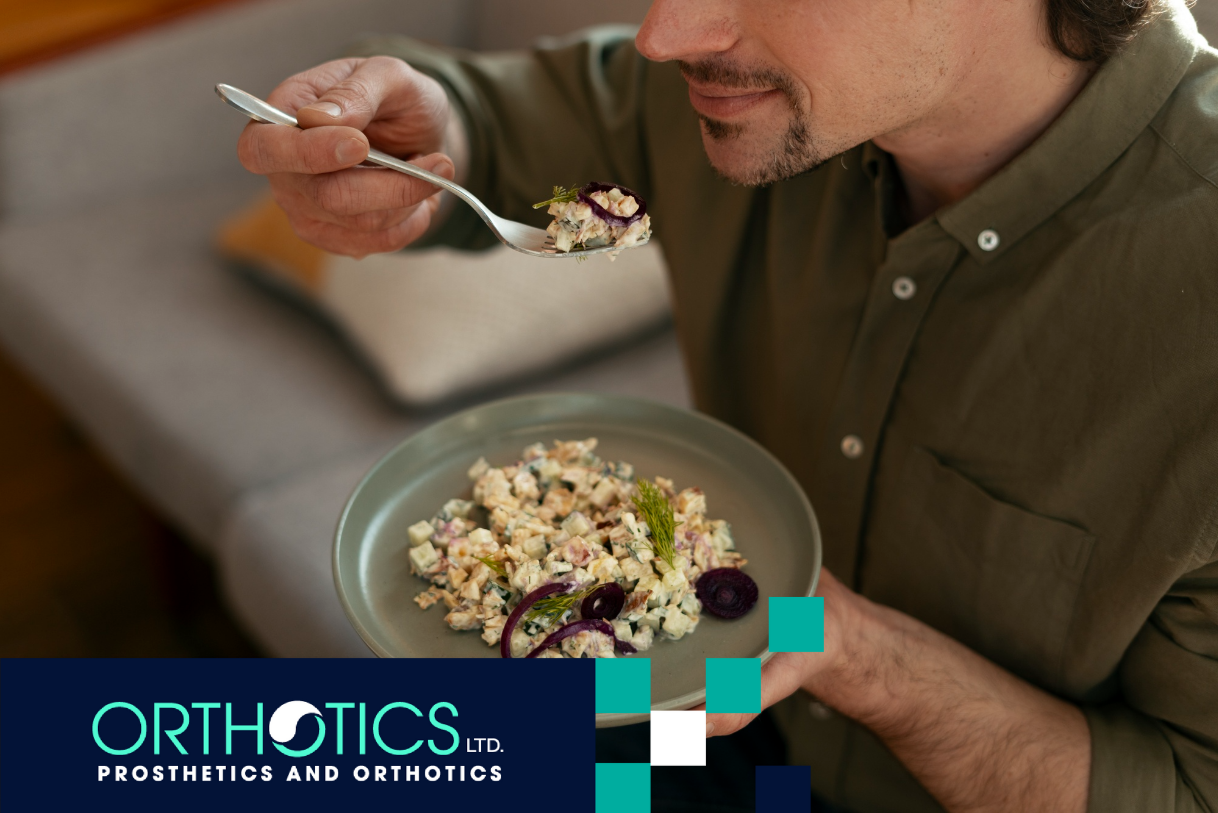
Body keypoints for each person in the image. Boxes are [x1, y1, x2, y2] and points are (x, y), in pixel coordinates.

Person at [235, 0, 1218, 810]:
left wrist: (859, 657)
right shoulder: (745, 89)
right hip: (697, 746)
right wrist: (416, 137)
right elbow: (495, 125)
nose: (668, 33)